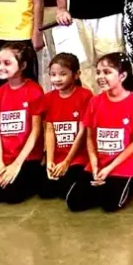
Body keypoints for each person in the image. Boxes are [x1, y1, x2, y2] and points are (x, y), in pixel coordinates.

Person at [66, 52, 133, 212]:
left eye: (107, 72)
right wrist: (94, 165)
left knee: (110, 205)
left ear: (122, 76)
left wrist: (109, 169)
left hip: (123, 165)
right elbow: (90, 138)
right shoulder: (95, 102)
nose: (101, 77)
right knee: (74, 202)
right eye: (98, 72)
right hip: (99, 162)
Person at [0, 42, 44, 204]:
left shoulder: (34, 90)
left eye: (7, 63)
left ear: (23, 66)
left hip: (27, 158)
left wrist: (16, 165)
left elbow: (35, 132)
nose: (0, 67)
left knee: (12, 194)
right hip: (4, 155)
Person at [39, 53, 92, 199]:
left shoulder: (85, 95)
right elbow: (49, 131)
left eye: (63, 74)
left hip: (77, 157)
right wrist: (50, 161)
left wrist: (67, 162)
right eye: (53, 74)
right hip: (58, 156)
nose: (57, 79)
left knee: (66, 189)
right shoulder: (48, 98)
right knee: (45, 191)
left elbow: (82, 133)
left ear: (76, 75)